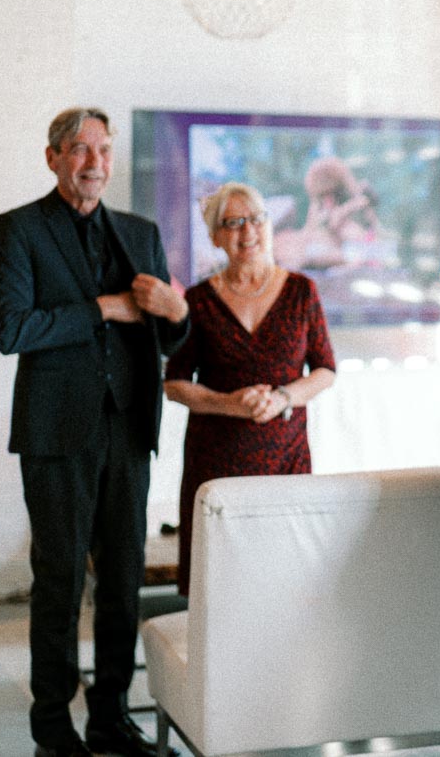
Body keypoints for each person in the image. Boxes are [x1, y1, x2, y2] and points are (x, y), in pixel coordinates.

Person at [0, 107, 190, 757]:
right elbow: (11, 330)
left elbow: (168, 339)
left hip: (128, 431)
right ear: (53, 157)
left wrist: (177, 312)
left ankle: (110, 718)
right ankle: (53, 729)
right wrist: (100, 308)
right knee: (59, 583)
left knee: (123, 581)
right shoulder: (20, 228)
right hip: (54, 434)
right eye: (80, 148)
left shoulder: (140, 232)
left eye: (103, 149)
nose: (94, 162)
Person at [163, 182, 337, 596]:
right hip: (215, 465)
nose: (248, 231)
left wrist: (283, 398)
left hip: (285, 461)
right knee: (219, 588)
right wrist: (230, 404)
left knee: (284, 582)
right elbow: (175, 384)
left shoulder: (301, 291)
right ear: (215, 236)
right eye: (233, 223)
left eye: (256, 219)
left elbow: (325, 369)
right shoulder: (198, 301)